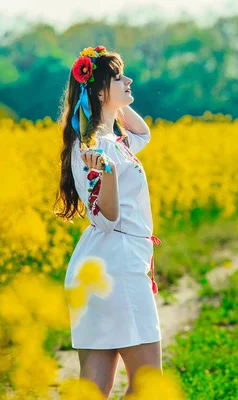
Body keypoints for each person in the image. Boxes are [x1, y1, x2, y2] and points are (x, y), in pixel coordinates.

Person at [54, 45, 162, 399]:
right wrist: (110, 174)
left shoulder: (112, 139)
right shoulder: (94, 147)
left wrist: (114, 101)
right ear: (100, 89)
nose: (129, 80)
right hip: (117, 265)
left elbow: (144, 134)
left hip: (108, 264)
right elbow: (104, 218)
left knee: (95, 388)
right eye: (119, 77)